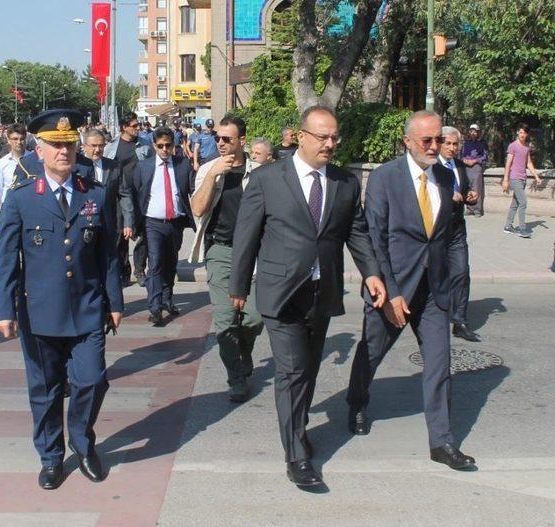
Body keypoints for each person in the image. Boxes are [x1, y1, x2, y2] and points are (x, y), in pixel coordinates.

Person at [229, 105, 386, 487]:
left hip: (322, 291)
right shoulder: (268, 179)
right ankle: (297, 457)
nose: (330, 144)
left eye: (335, 137)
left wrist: (372, 273)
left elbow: (357, 233)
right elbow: (246, 237)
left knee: (309, 368)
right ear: (301, 136)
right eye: (322, 137)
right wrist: (237, 287)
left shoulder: (346, 182)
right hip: (281, 292)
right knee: (292, 371)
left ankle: (296, 429)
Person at [0, 109, 123, 490]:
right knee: (46, 390)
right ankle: (51, 457)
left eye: (68, 144)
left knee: (93, 380)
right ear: (40, 148)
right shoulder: (21, 199)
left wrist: (114, 302)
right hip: (39, 311)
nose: (63, 152)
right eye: (55, 145)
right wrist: (3, 309)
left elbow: (108, 256)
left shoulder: (95, 194)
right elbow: (6, 259)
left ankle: (82, 444)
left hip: (87, 308)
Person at [346, 110, 477, 472]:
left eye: (439, 139)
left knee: (439, 364)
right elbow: (376, 238)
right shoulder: (385, 178)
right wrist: (390, 291)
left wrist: (450, 279)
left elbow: (447, 236)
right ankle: (356, 402)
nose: (436, 147)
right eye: (427, 140)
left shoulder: (444, 177)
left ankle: (442, 441)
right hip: (393, 289)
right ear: (407, 141)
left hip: (434, 291)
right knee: (371, 353)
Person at [189, 116, 264, 403]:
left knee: (254, 318)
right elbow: (197, 209)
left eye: (226, 139)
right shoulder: (208, 168)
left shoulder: (259, 172)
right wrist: (212, 176)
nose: (220, 143)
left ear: (241, 141)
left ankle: (244, 353)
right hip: (220, 250)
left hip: (254, 252)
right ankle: (236, 377)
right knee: (225, 320)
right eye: (217, 138)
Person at [132, 127, 195, 326]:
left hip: (175, 223)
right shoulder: (144, 167)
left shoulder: (183, 165)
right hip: (152, 223)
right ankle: (155, 306)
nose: (165, 149)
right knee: (156, 264)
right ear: (154, 145)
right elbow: (135, 194)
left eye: (168, 145)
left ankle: (168, 299)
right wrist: (133, 223)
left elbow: (193, 189)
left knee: (170, 263)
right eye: (161, 146)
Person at [438, 126, 480, 342]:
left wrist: (469, 195)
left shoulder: (460, 166)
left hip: (456, 229)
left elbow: (462, 192)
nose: (452, 148)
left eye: (456, 144)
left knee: (461, 272)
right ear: (439, 143)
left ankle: (459, 320)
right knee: (432, 275)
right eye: (448, 143)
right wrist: (447, 195)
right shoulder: (431, 166)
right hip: (435, 230)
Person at [82, 129, 136, 286]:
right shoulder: (75, 167)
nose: (97, 149)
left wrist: (128, 222)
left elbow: (124, 194)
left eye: (101, 145)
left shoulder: (113, 167)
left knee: (108, 263)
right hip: (83, 224)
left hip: (108, 224)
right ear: (84, 145)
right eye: (93, 146)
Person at [104, 113, 148, 285]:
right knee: (121, 233)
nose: (138, 129)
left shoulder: (144, 145)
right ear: (124, 127)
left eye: (138, 125)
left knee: (143, 234)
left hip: (141, 195)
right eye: (134, 126)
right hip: (120, 197)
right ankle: (124, 270)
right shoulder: (112, 147)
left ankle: (139, 269)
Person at [0, 124, 29, 268]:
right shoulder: (3, 163)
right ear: (8, 140)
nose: (19, 142)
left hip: (30, 210)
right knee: (10, 250)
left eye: (22, 138)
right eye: (15, 139)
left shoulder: (35, 160)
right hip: (9, 211)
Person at [502, 123, 542, 239]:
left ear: (527, 134)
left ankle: (508, 226)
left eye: (524, 133)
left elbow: (528, 163)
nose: (522, 135)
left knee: (515, 204)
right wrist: (505, 180)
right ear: (517, 133)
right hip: (514, 178)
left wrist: (536, 176)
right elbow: (508, 163)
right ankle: (522, 229)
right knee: (523, 202)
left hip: (523, 178)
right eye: (520, 132)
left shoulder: (526, 147)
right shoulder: (513, 146)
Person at [460, 124, 488, 217]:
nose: (473, 133)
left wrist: (475, 161)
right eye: (471, 131)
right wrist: (464, 160)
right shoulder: (466, 143)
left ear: (478, 133)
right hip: (466, 166)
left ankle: (477, 210)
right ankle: (469, 208)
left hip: (476, 166)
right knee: (468, 187)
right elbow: (461, 155)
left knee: (476, 188)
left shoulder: (482, 143)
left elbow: (484, 156)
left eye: (475, 131)